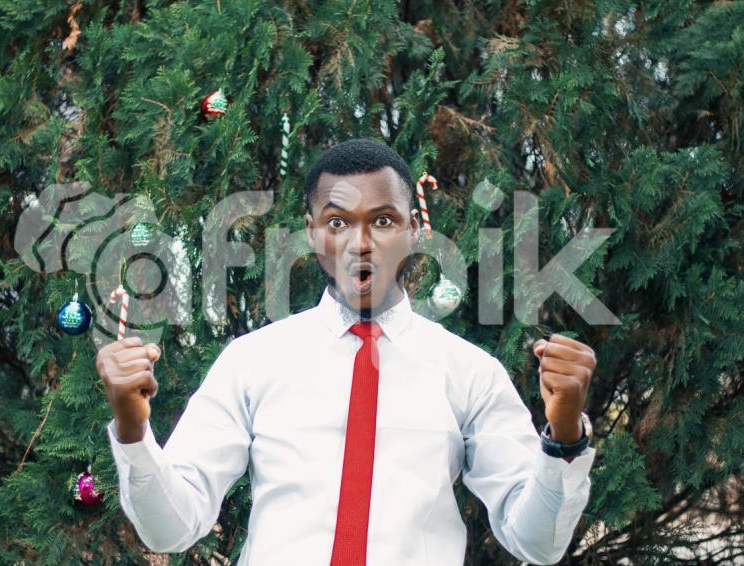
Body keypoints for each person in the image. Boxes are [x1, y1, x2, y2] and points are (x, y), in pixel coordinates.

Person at [96, 138, 597, 565]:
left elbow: (535, 542)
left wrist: (566, 439)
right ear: (312, 233)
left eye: (383, 221)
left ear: (415, 232)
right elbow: (173, 528)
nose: (361, 242)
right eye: (337, 223)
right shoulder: (252, 363)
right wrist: (133, 433)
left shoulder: (470, 374)